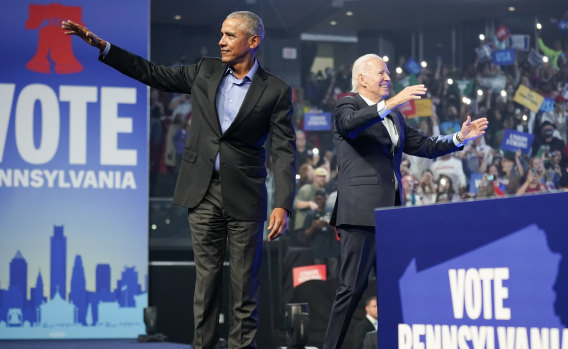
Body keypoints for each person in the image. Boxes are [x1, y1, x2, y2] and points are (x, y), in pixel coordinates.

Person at [62, 11, 296, 349]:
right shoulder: (205, 70)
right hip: (202, 192)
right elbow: (153, 73)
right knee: (207, 283)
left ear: (253, 41)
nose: (221, 41)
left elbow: (284, 151)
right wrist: (103, 46)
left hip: (246, 196)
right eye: (221, 34)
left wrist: (283, 204)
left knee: (244, 288)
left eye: (230, 35)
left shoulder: (275, 90)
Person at [323, 53, 488, 349]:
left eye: (388, 74)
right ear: (361, 78)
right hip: (360, 213)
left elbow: (424, 145)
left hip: (390, 216)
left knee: (394, 289)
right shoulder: (347, 104)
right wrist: (390, 103)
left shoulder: (395, 116)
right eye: (381, 73)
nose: (388, 78)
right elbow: (350, 125)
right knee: (352, 288)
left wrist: (459, 138)